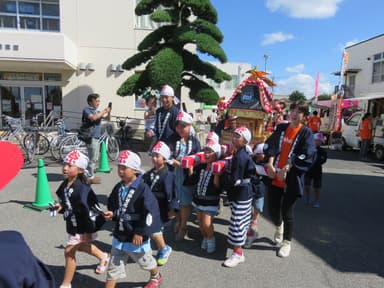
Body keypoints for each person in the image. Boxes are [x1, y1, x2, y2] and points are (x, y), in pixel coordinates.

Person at [103, 150, 163, 288]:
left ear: (135, 170)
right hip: (120, 234)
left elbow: (149, 212)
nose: (120, 171)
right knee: (113, 268)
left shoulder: (143, 189)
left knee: (145, 262)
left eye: (124, 167)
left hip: (136, 236)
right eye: (119, 167)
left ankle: (155, 275)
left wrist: (140, 232)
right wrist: (112, 213)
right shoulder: (119, 187)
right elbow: (114, 204)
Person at [264, 101, 316, 258]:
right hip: (275, 175)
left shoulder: (306, 133)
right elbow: (271, 146)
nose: (294, 113)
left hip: (291, 178)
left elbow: (306, 154)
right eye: (293, 110)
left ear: (304, 116)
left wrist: (286, 169)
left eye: (299, 112)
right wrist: (271, 165)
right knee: (272, 209)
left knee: (287, 211)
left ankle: (286, 242)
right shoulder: (281, 128)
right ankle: (278, 226)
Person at [52, 150, 108, 288]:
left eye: (70, 165)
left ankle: (66, 284)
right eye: (65, 163)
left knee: (69, 251)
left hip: (83, 226)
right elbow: (67, 203)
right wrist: (60, 207)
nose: (65, 167)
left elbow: (88, 211)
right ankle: (103, 257)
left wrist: (89, 231)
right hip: (73, 224)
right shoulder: (65, 184)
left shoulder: (82, 189)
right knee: (82, 246)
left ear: (80, 170)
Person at [222, 126, 257, 267]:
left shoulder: (241, 156)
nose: (234, 138)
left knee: (238, 222)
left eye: (238, 136)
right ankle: (238, 250)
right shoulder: (239, 153)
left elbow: (234, 178)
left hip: (241, 192)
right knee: (239, 221)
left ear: (245, 141)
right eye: (234, 135)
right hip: (243, 192)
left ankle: (238, 253)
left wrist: (223, 178)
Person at [142, 141, 179, 266]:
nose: (154, 158)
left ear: (165, 159)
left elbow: (173, 193)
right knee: (152, 230)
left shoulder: (168, 175)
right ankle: (156, 248)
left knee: (155, 231)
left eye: (157, 156)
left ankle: (164, 249)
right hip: (150, 206)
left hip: (161, 207)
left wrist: (173, 209)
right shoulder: (150, 173)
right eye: (153, 155)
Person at [168, 111, 201, 241]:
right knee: (176, 200)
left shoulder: (195, 141)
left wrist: (191, 164)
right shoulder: (172, 138)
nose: (181, 129)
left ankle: (183, 226)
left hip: (188, 174)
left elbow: (199, 157)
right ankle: (178, 220)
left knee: (186, 202)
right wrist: (177, 163)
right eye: (179, 126)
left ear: (190, 126)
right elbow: (167, 155)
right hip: (174, 172)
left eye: (184, 126)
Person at [187, 140, 222, 253]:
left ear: (216, 154)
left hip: (210, 201)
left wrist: (216, 175)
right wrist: (191, 168)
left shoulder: (219, 168)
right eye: (205, 151)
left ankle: (211, 238)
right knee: (201, 224)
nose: (206, 154)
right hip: (198, 199)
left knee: (207, 223)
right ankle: (205, 237)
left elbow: (217, 187)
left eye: (210, 152)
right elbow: (192, 180)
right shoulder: (201, 166)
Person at [244, 143, 270, 248]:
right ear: (257, 154)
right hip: (249, 188)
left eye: (265, 154)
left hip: (260, 190)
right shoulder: (250, 160)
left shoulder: (268, 163)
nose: (264, 156)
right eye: (261, 154)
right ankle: (250, 233)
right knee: (248, 210)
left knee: (258, 207)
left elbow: (270, 177)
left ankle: (254, 219)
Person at [81, 93, 111, 182]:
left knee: (95, 157)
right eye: (96, 101)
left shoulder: (97, 111)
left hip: (96, 137)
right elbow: (93, 118)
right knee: (92, 157)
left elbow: (107, 119)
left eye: (99, 101)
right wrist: (104, 111)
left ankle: (88, 174)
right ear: (91, 102)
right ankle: (89, 176)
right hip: (90, 137)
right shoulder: (87, 110)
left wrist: (108, 112)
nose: (98, 102)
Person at [151, 84, 180, 149]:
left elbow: (179, 132)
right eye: (162, 97)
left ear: (172, 98)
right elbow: (157, 128)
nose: (164, 100)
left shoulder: (176, 112)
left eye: (166, 97)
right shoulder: (159, 111)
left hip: (172, 146)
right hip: (160, 146)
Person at [304, 132, 328, 208]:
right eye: (316, 140)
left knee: (317, 187)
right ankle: (307, 198)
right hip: (308, 169)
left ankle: (317, 200)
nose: (318, 142)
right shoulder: (308, 148)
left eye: (320, 141)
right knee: (307, 185)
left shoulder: (322, 151)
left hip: (317, 171)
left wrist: (318, 161)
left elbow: (323, 160)